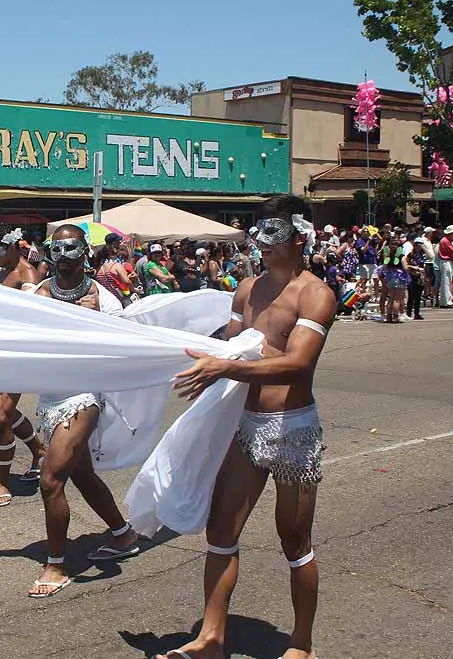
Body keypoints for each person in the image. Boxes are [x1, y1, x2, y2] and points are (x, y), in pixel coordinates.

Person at [160, 195, 336, 659]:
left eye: (273, 232)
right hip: (246, 424)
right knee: (221, 530)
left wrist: (225, 367)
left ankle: (301, 644)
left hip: (293, 429)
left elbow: (297, 364)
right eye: (258, 231)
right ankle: (211, 639)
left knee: (294, 540)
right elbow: (231, 346)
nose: (261, 241)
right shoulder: (245, 289)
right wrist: (196, 355)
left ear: (300, 236)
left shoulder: (315, 294)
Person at [28, 224, 140, 597]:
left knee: (50, 480)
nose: (63, 256)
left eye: (71, 248)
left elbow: (122, 351)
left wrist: (95, 322)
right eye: (56, 249)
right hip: (50, 397)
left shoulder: (104, 301)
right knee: (83, 475)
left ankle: (56, 565)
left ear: (85, 251)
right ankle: (123, 534)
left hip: (84, 396)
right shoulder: (39, 294)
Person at [0, 224, 48, 507]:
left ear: (12, 246)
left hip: (19, 354)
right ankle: (39, 450)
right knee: (3, 415)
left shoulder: (27, 273)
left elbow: (29, 308)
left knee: (1, 418)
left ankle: (2, 481)